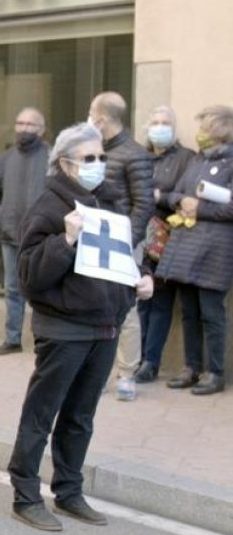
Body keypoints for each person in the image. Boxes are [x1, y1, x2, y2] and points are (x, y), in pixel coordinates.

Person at [8, 123, 153, 532]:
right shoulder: (48, 208)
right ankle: (25, 494)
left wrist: (141, 279)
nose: (99, 165)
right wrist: (66, 241)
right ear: (67, 163)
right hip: (64, 328)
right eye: (90, 158)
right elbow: (29, 275)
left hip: (104, 326)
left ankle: (69, 491)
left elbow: (121, 256)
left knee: (80, 416)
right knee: (42, 413)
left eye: (102, 157)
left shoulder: (106, 202)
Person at [155, 105, 233, 396]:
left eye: (205, 126)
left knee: (212, 313)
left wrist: (201, 208)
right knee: (189, 311)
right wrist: (180, 202)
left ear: (221, 129)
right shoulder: (196, 160)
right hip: (187, 247)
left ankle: (215, 373)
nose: (199, 133)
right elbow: (175, 192)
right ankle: (192, 367)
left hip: (216, 250)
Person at [88, 91, 154, 401]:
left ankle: (127, 373)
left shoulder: (135, 154)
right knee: (96, 307)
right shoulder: (93, 149)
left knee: (126, 310)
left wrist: (127, 240)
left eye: (91, 113)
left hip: (124, 242)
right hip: (94, 238)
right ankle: (98, 372)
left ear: (101, 119)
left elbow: (143, 204)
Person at [136, 106, 195, 383]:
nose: (160, 127)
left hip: (169, 239)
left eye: (166, 122)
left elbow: (188, 196)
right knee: (140, 301)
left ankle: (150, 362)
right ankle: (137, 358)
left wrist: (162, 196)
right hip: (139, 237)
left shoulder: (186, 159)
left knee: (160, 302)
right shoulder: (141, 157)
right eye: (155, 122)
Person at [0, 107, 48, 355]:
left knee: (43, 291)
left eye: (31, 124)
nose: (24, 128)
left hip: (42, 236)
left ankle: (43, 341)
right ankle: (12, 339)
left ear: (41, 130)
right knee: (13, 289)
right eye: (20, 123)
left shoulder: (52, 157)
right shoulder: (5, 158)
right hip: (10, 234)